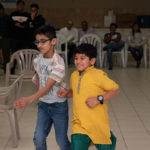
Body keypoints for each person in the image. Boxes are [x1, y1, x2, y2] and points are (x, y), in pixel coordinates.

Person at [14, 25, 71, 150]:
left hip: (59, 106)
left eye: (43, 41)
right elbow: (39, 76)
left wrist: (29, 99)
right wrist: (39, 96)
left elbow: (48, 87)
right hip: (43, 106)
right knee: (38, 139)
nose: (39, 45)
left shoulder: (58, 63)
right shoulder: (37, 60)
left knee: (61, 141)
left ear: (53, 41)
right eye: (37, 42)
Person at [57, 43, 120, 150]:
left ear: (92, 61)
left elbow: (115, 90)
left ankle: (110, 137)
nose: (78, 61)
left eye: (82, 58)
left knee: (106, 145)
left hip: (98, 124)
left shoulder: (98, 75)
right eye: (76, 58)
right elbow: (75, 92)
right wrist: (67, 93)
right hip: (79, 124)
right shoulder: (74, 75)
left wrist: (98, 99)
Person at [10, 0, 30, 73]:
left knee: (23, 54)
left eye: (22, 5)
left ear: (24, 6)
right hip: (14, 38)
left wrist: (21, 26)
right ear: (17, 6)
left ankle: (23, 70)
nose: (20, 6)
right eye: (19, 5)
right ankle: (12, 69)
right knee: (14, 54)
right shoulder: (13, 14)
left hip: (24, 38)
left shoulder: (27, 15)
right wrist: (16, 25)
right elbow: (10, 25)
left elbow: (27, 26)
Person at [0, 3, 11, 73]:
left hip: (5, 38)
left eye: (1, 10)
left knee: (6, 54)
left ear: (3, 10)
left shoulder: (7, 17)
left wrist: (3, 35)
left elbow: (9, 28)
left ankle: (6, 70)